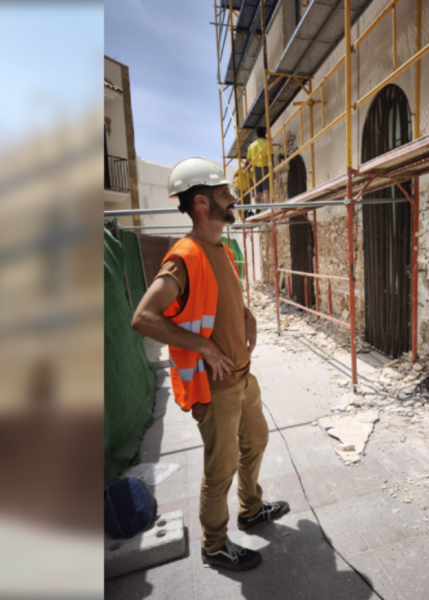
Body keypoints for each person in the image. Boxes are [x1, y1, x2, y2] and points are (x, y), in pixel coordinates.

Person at [131, 157, 289, 571]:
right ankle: (214, 544)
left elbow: (221, 301)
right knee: (221, 467)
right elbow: (143, 317)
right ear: (201, 202)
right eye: (224, 194)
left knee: (255, 442)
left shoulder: (221, 247)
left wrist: (247, 313)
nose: (233, 198)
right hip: (214, 384)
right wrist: (201, 346)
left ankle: (251, 508)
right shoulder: (184, 255)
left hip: (241, 376)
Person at [244, 126, 271, 207]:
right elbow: (270, 157)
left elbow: (248, 160)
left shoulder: (251, 146)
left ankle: (257, 208)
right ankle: (267, 207)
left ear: (257, 134)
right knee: (266, 190)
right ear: (264, 133)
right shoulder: (267, 144)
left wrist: (254, 162)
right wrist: (272, 170)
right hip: (265, 168)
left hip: (256, 170)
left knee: (257, 192)